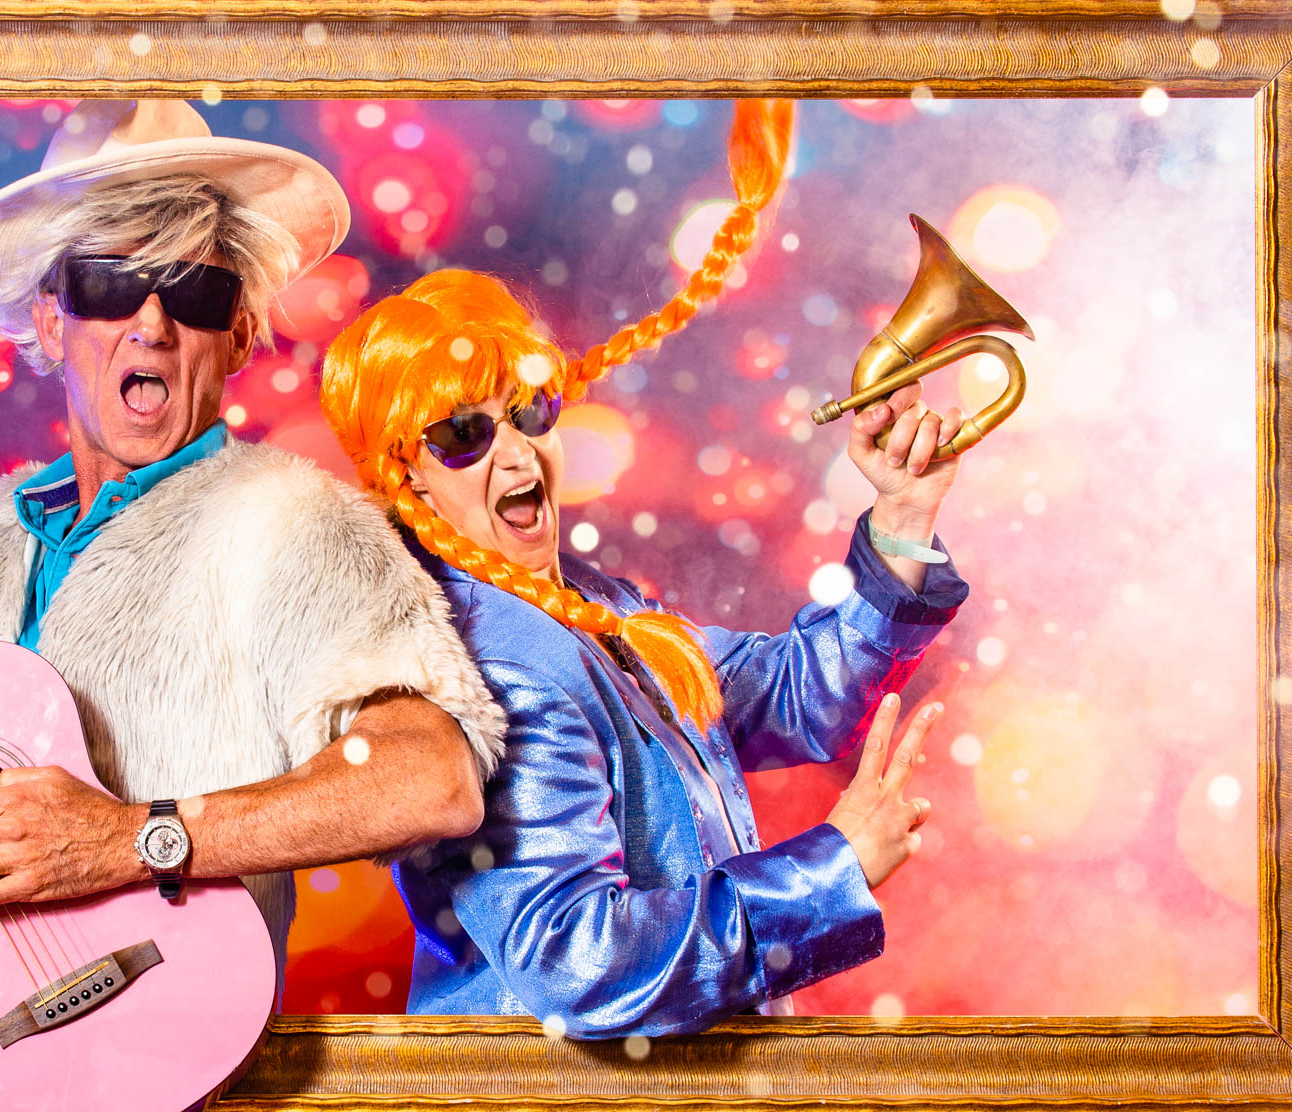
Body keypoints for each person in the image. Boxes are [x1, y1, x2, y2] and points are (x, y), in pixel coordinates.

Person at [0, 100, 505, 1011]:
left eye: (196, 292)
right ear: (52, 324)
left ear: (240, 336)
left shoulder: (289, 520)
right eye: (108, 285)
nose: (153, 325)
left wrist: (131, 838)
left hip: (160, 1065)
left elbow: (432, 778)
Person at [316, 100, 969, 1036]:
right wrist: (833, 868)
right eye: (462, 434)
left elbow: (795, 695)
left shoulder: (596, 610)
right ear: (402, 478)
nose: (515, 456)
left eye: (527, 412)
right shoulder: (477, 666)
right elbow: (579, 964)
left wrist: (902, 519)